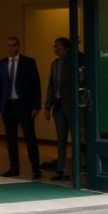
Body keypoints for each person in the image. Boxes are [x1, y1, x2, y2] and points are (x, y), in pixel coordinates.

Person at [0, 36, 42, 180]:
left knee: (29, 137)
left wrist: (36, 106)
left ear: (18, 46)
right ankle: (14, 167)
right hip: (8, 106)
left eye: (13, 45)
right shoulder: (0, 64)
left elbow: (36, 85)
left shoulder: (29, 63)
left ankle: (35, 167)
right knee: (10, 138)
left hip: (24, 105)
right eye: (8, 45)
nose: (10, 48)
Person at [43, 37, 75, 181]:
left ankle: (76, 169)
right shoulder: (55, 64)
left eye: (57, 46)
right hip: (58, 106)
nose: (55, 48)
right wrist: (47, 105)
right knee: (61, 139)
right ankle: (61, 169)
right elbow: (51, 85)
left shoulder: (74, 62)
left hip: (72, 106)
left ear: (65, 47)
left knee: (76, 138)